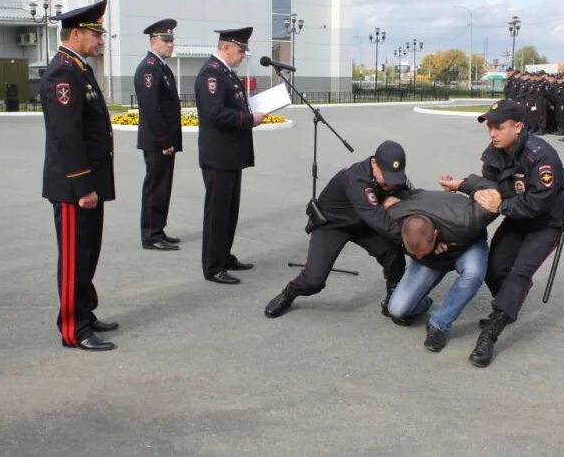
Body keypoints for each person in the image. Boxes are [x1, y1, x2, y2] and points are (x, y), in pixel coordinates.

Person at [454, 100, 564, 368]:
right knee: (493, 267)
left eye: (499, 127)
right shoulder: (495, 152)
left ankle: (491, 332)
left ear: (518, 126)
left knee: (519, 273)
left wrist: (501, 205)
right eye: (490, 127)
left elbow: (538, 202)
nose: (493, 133)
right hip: (517, 216)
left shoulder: (541, 156)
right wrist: (464, 185)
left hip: (546, 222)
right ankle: (507, 305)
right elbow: (492, 186)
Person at [40, 0, 118, 352]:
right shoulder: (63, 73)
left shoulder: (79, 68)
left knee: (88, 254)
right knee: (74, 257)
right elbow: (67, 136)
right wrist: (84, 185)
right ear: (76, 34)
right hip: (74, 187)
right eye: (95, 34)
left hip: (88, 184)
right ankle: (73, 328)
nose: (101, 40)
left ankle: (85, 311)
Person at [264, 141, 413, 321]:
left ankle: (393, 298)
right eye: (387, 177)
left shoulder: (393, 176)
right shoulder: (357, 180)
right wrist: (414, 241)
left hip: (362, 222)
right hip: (333, 224)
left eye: (394, 177)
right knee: (314, 281)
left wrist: (398, 198)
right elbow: (381, 221)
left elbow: (411, 196)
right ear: (374, 163)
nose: (391, 183)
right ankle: (289, 293)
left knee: (392, 250)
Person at [383, 177, 500, 352]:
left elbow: (495, 191)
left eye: (421, 252)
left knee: (474, 273)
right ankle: (422, 302)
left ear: (436, 234)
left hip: (466, 246)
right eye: (414, 254)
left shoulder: (467, 220)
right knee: (397, 310)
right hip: (434, 258)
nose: (418, 257)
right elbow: (383, 201)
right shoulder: (394, 216)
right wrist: (424, 253)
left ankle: (439, 324)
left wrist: (462, 184)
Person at [195, 27, 266, 284]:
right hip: (218, 156)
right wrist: (250, 119)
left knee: (229, 211)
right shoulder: (211, 75)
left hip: (230, 156)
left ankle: (224, 256)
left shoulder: (225, 73)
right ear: (225, 47)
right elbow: (216, 114)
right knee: (217, 213)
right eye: (240, 50)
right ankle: (213, 267)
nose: (243, 55)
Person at [135, 19, 183, 251]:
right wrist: (164, 141)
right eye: (166, 40)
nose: (170, 44)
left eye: (172, 40)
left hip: (164, 140)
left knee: (163, 186)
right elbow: (151, 108)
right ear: (153, 41)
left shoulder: (161, 66)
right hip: (157, 142)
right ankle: (151, 234)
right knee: (155, 186)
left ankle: (159, 228)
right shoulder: (149, 69)